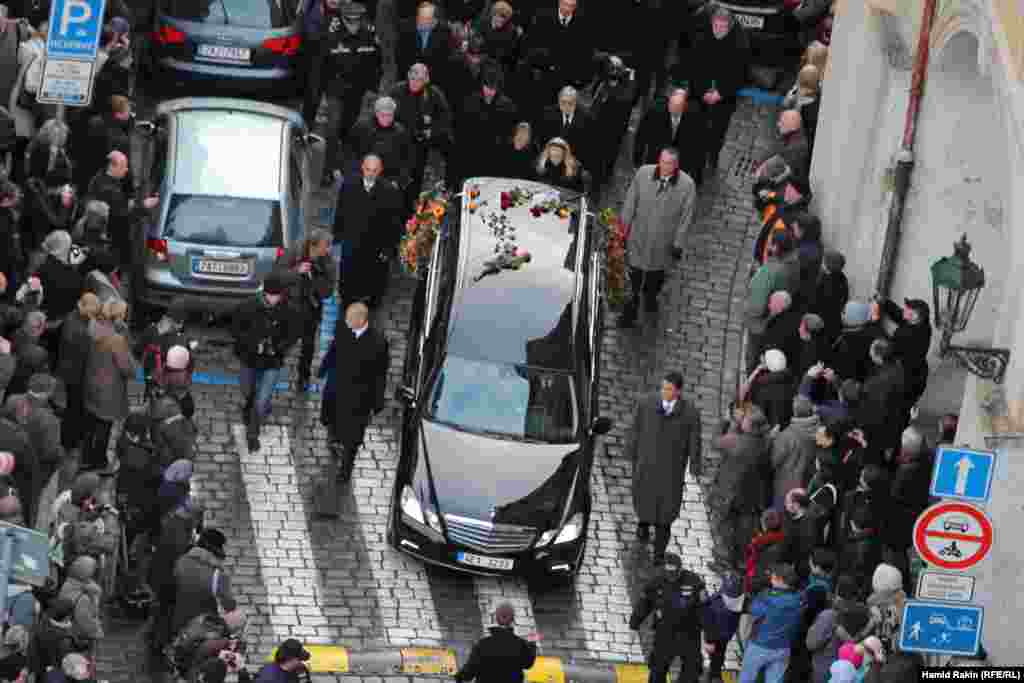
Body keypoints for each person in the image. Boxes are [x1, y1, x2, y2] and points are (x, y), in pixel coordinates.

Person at [626, 372, 702, 564]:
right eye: (663, 388)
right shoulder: (646, 403)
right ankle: (643, 525)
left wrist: (695, 465)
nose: (664, 392)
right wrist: (631, 452)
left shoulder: (690, 412)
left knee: (665, 515)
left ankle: (659, 552)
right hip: (647, 466)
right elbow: (635, 429)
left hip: (671, 471)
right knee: (644, 500)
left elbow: (695, 440)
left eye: (669, 389)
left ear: (678, 391)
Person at [304, 0, 382, 185]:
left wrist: (373, 89)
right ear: (342, 18)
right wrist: (318, 93)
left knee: (348, 130)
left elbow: (376, 63)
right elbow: (319, 66)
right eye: (350, 21)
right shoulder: (329, 33)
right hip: (335, 89)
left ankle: (345, 164)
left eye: (357, 21)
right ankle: (327, 170)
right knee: (332, 129)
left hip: (357, 90)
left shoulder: (369, 32)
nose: (353, 25)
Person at [618, 148, 696, 328]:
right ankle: (631, 309)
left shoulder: (687, 185)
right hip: (639, 237)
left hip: (663, 244)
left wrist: (678, 244)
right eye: (662, 161)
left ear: (676, 165)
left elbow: (686, 217)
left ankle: (651, 296)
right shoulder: (643, 173)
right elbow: (630, 203)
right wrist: (622, 231)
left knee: (655, 276)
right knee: (633, 277)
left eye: (669, 163)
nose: (664, 166)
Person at [230, 272, 302, 453]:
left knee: (261, 400)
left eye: (277, 296)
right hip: (249, 358)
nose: (274, 299)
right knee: (248, 391)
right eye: (271, 295)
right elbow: (236, 330)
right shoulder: (248, 307)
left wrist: (278, 347)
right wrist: (252, 344)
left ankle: (252, 434)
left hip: (272, 361)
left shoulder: (288, 310)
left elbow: (293, 335)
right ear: (264, 293)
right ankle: (251, 408)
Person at [322, 303, 389, 483]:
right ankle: (336, 439)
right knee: (334, 422)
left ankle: (346, 469)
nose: (347, 322)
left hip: (360, 397)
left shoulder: (378, 342)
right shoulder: (343, 330)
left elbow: (380, 374)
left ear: (361, 320)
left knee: (353, 436)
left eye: (350, 319)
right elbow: (333, 351)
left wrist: (377, 401)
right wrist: (323, 368)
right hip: (339, 390)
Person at [683, 4, 750, 174]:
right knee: (694, 121)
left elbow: (740, 74)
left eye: (722, 27)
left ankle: (713, 154)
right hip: (700, 91)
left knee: (719, 127)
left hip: (724, 96)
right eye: (715, 26)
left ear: (730, 25)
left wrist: (721, 92)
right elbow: (693, 65)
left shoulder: (740, 44)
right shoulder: (701, 35)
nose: (718, 30)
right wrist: (702, 90)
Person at [333, 154, 405, 309]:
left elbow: (394, 222)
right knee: (349, 274)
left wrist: (389, 248)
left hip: (375, 244)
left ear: (380, 171)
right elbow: (341, 210)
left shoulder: (389, 191)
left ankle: (370, 304)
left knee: (373, 278)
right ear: (362, 168)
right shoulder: (349, 185)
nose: (371, 173)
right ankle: (348, 301)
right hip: (352, 240)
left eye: (374, 170)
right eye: (368, 169)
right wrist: (338, 234)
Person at [709, 405, 769, 575]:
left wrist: (726, 421)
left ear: (749, 425)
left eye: (745, 419)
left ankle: (724, 562)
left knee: (723, 528)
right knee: (744, 530)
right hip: (749, 494)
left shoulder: (735, 441)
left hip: (729, 493)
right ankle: (741, 562)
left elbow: (715, 441)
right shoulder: (763, 442)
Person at [629, 552, 707, 683]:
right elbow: (644, 604)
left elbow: (703, 608)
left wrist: (708, 633)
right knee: (657, 668)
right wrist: (633, 625)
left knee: (692, 669)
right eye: (668, 574)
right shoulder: (656, 583)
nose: (671, 578)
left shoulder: (694, 582)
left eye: (674, 574)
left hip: (689, 633)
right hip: (665, 633)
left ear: (680, 569)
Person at [275, 229, 336, 392]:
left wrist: (315, 277)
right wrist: (297, 271)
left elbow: (328, 291)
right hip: (290, 307)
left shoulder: (328, 262)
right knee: (284, 343)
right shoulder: (295, 252)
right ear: (313, 245)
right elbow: (278, 276)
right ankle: (270, 369)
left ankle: (303, 377)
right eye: (326, 246)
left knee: (308, 346)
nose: (329, 250)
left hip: (312, 309)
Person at [389, 63, 454, 206]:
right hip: (401, 137)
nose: (415, 82)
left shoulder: (433, 93)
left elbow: (446, 117)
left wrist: (433, 130)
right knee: (406, 167)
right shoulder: (397, 91)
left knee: (449, 147)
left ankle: (444, 186)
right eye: (412, 78)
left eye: (419, 80)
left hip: (424, 137)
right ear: (408, 76)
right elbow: (388, 115)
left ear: (426, 80)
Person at [85, 150, 159, 267]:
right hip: (110, 244)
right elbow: (122, 216)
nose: (127, 170)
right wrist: (144, 206)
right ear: (113, 166)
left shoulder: (103, 180)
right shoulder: (106, 187)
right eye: (124, 166)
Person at [452, 62, 517, 184]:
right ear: (482, 85)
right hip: (472, 152)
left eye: (493, 89)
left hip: (495, 154)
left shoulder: (507, 105)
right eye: (487, 87)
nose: (489, 92)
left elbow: (509, 132)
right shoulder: (470, 101)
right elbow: (461, 128)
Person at [739, 564, 803, 683]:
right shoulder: (799, 598)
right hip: (783, 648)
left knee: (747, 678)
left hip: (760, 646)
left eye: (772, 577)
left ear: (779, 579)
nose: (770, 579)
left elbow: (753, 609)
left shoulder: (767, 598)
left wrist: (759, 594)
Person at [523, 0, 594, 104]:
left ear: (575, 8)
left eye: (571, 6)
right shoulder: (543, 18)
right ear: (559, 3)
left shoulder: (582, 24)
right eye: (565, 4)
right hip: (542, 73)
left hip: (567, 77)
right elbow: (531, 45)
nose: (567, 9)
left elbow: (586, 53)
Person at [171, 528, 238, 635]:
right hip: (204, 627)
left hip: (178, 622)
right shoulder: (219, 574)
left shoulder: (181, 561)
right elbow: (229, 605)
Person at [633, 88, 703, 186]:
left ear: (685, 106)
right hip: (656, 154)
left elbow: (699, 145)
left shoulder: (694, 115)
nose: (674, 111)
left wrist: (697, 176)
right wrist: (637, 159)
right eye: (672, 106)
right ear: (669, 103)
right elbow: (642, 135)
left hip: (681, 157)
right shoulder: (655, 110)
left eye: (678, 108)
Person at [454, 603, 538, 683]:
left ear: (496, 618)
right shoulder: (520, 645)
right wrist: (532, 645)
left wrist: (459, 677)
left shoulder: (483, 645)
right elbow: (528, 664)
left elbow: (469, 671)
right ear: (512, 619)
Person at [349, 97, 415, 197]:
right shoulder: (362, 127)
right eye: (383, 115)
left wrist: (398, 181)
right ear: (376, 113)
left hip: (387, 180)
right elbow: (349, 151)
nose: (386, 118)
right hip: (361, 175)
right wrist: (353, 173)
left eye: (390, 115)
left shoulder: (401, 132)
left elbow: (407, 160)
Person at [396, 2, 454, 93]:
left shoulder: (444, 32)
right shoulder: (405, 28)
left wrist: (426, 77)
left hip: (434, 82)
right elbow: (400, 57)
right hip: (410, 80)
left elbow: (444, 61)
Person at [702, 573, 745, 683]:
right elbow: (708, 624)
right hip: (714, 635)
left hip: (725, 635)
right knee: (716, 656)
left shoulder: (740, 598)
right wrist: (708, 641)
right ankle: (713, 675)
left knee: (720, 655)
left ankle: (714, 673)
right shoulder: (713, 604)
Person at [535, 86, 592, 170]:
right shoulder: (548, 114)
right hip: (551, 156)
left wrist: (575, 161)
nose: (566, 106)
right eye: (563, 102)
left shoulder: (587, 118)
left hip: (574, 160)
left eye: (570, 103)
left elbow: (588, 145)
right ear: (558, 101)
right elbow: (541, 138)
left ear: (576, 102)